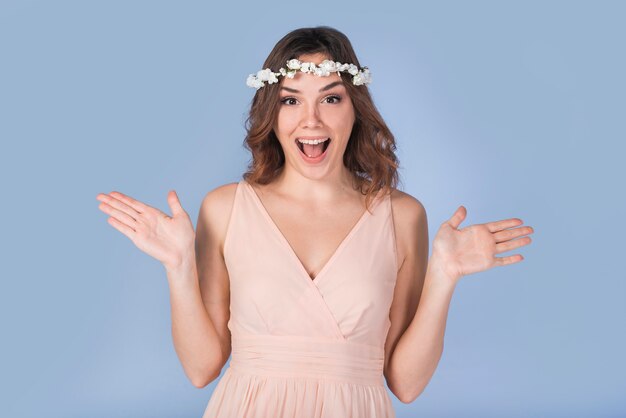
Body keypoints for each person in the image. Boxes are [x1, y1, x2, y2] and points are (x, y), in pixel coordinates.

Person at [95, 26, 534, 418]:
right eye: (291, 100)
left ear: (354, 107)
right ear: (273, 113)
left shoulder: (402, 215)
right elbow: (200, 368)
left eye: (330, 97)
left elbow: (405, 383)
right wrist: (178, 268)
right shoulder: (225, 208)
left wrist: (444, 276)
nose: (311, 119)